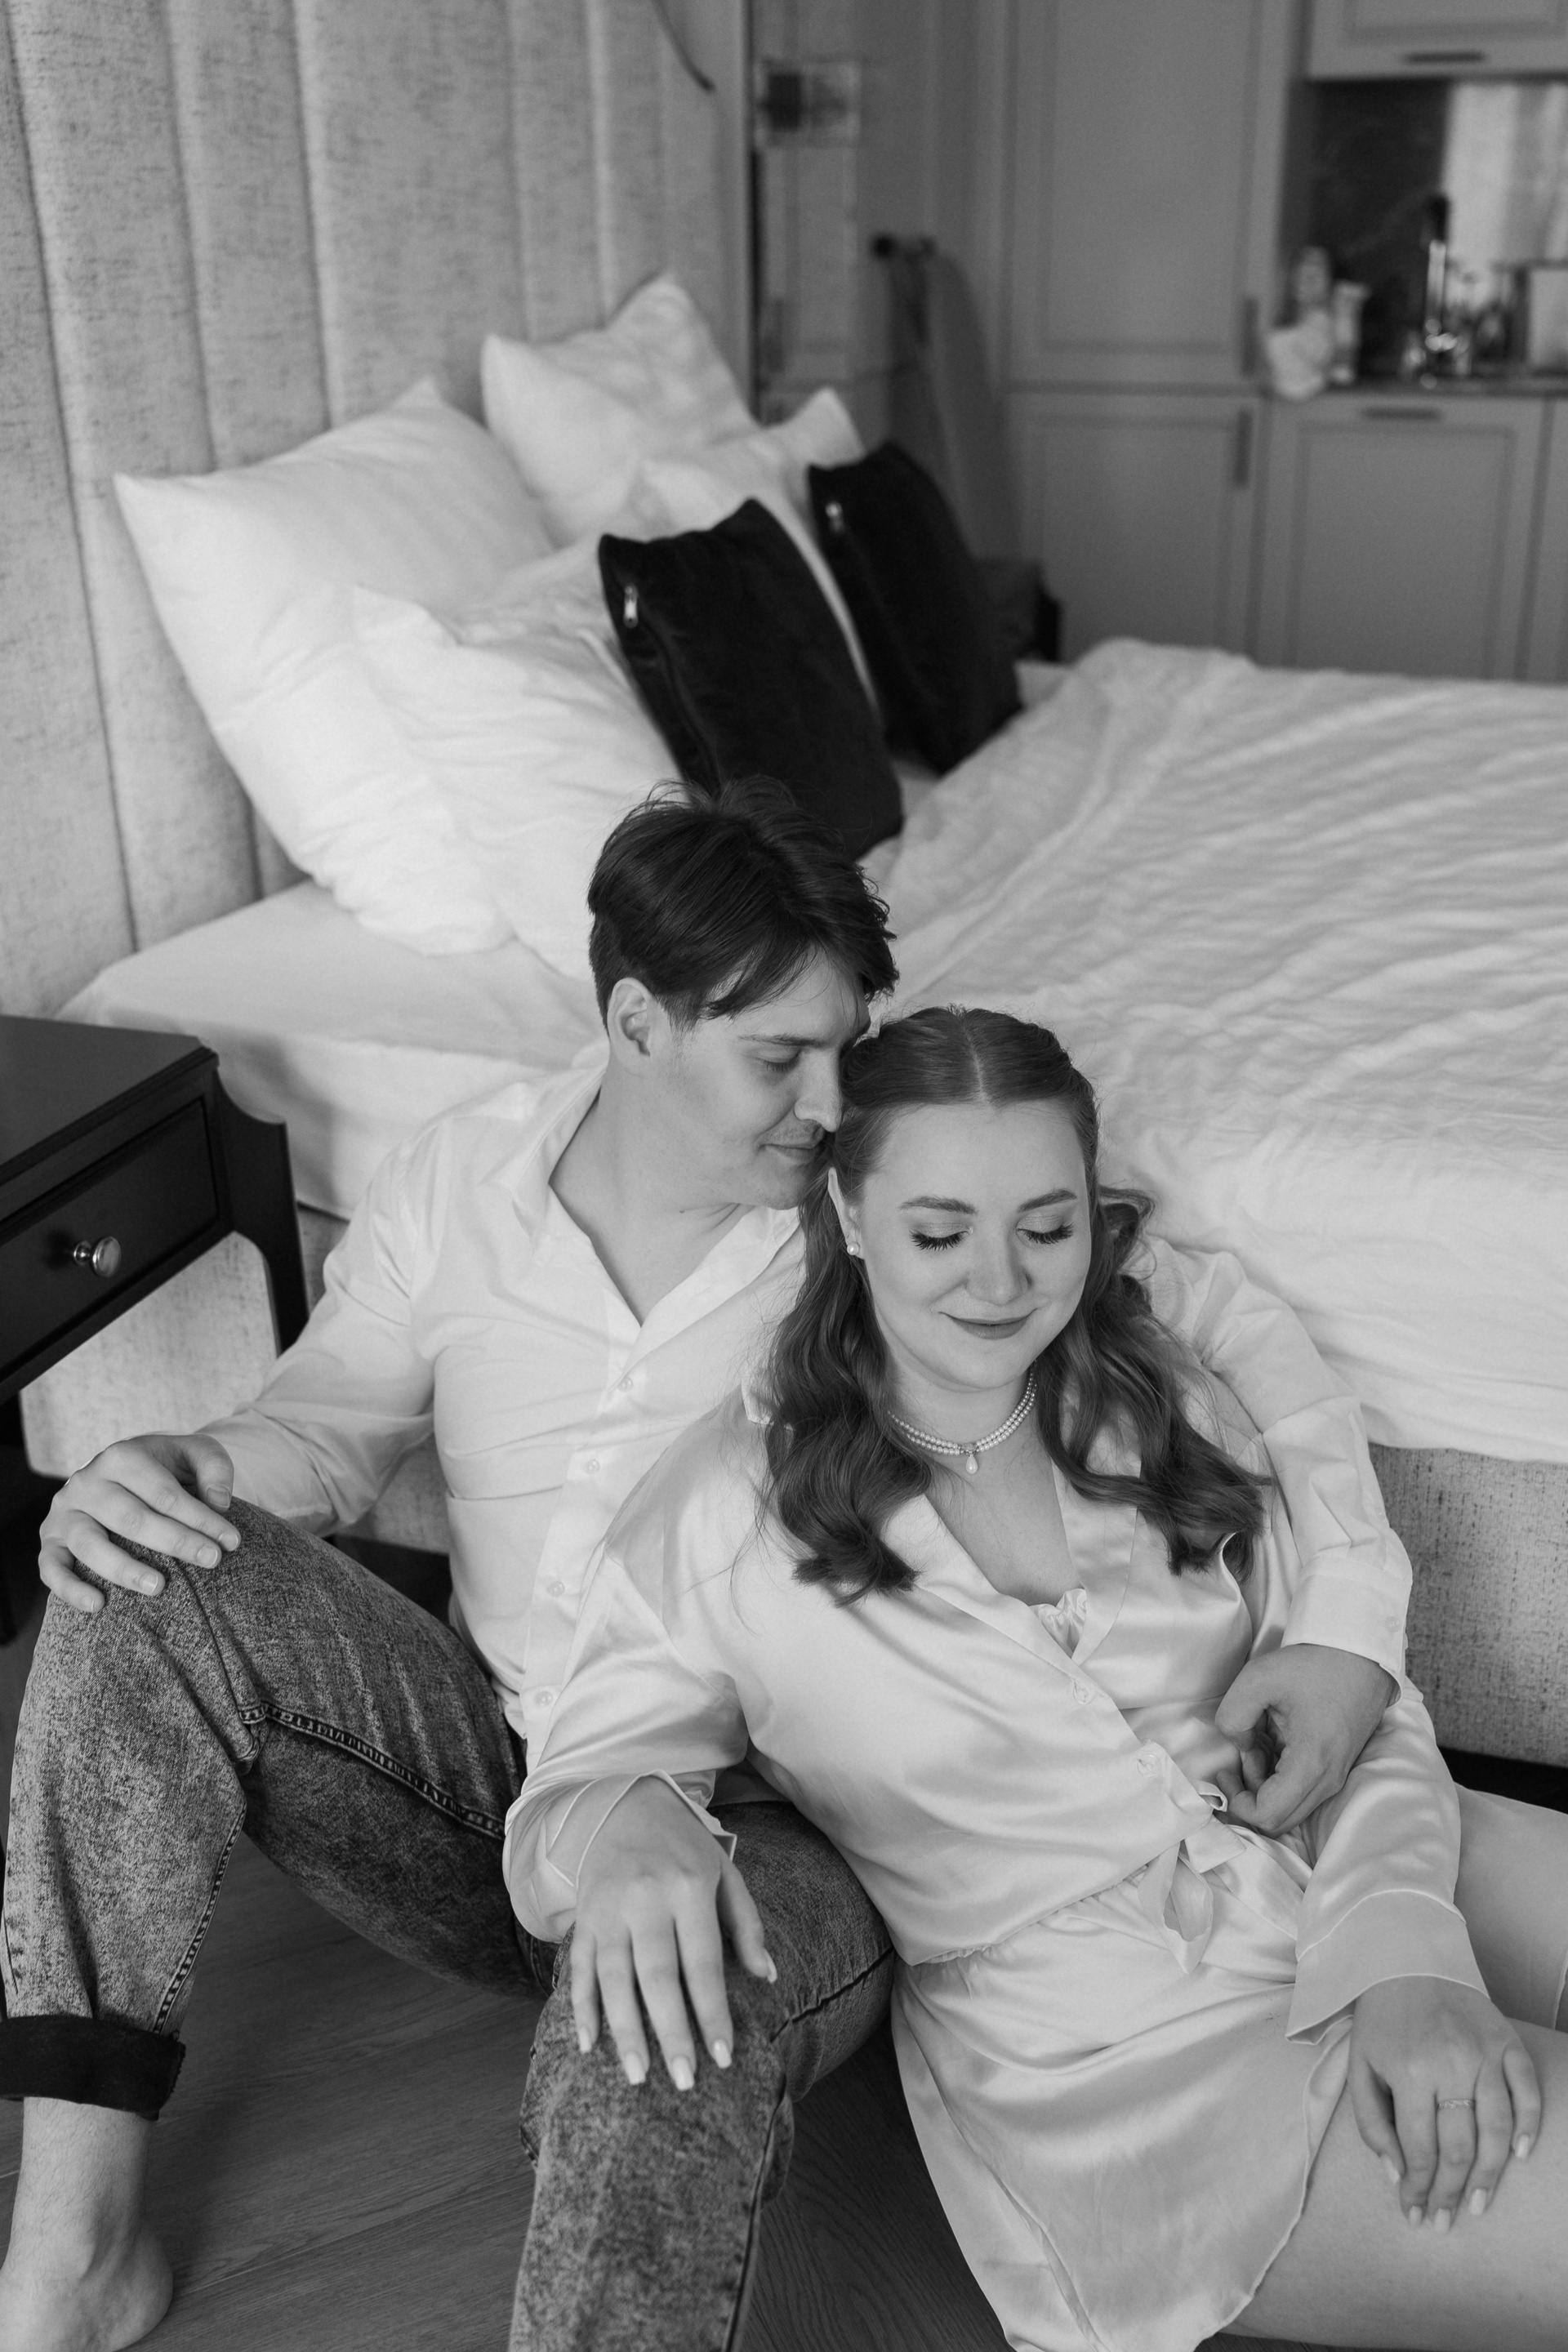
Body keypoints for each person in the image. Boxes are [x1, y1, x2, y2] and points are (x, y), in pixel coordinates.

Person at [2, 786, 1405, 2352]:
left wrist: (1347, 1621)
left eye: (846, 1045)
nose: (830, 1098)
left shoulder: (875, 1219)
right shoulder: (460, 1180)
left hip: (782, 1820)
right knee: (135, 1572)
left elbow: (1204, 1306)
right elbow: (323, 1432)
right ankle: (74, 2251)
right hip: (498, 1766)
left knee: (653, 2019)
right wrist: (183, 1467)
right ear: (636, 1024)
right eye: (780, 1056)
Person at [508, 1006, 1568, 2352]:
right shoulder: (720, 1516)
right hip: (1127, 2063)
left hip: (1378, 1852)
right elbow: (562, 1807)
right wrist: (626, 1825)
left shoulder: (1159, 1392)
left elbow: (1355, 1698)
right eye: (940, 1233)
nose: (1001, 1282)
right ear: (848, 1213)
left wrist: (1407, 1955)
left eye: (1048, 1228)